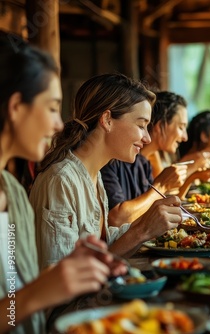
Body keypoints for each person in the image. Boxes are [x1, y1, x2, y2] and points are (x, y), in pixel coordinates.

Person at [0, 32, 125, 334]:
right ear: (16, 107)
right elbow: (22, 300)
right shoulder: (58, 178)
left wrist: (67, 271)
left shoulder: (11, 192)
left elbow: (13, 298)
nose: (60, 124)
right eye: (53, 107)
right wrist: (39, 292)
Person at [29, 73, 182, 270]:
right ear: (107, 120)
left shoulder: (94, 174)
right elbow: (64, 278)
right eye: (141, 125)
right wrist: (143, 230)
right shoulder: (61, 181)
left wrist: (151, 223)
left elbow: (105, 246)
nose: (147, 139)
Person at [100, 91, 190, 227]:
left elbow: (151, 210)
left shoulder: (143, 163)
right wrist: (161, 185)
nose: (185, 137)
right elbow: (117, 219)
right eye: (141, 126)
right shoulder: (108, 162)